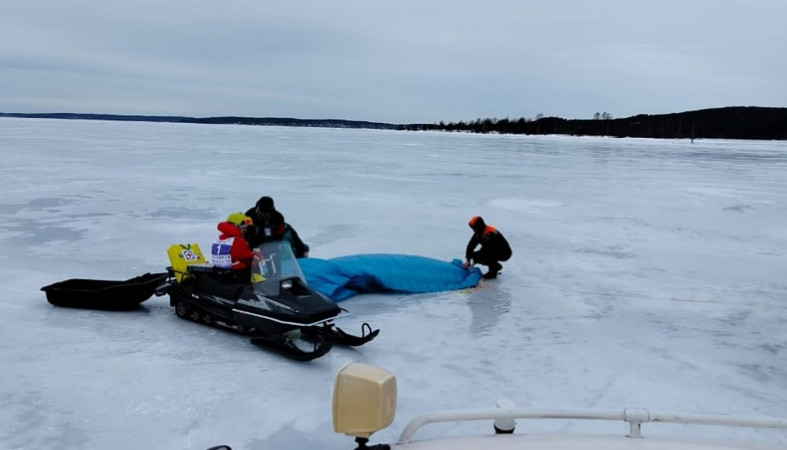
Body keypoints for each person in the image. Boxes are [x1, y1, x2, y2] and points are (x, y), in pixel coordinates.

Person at [245, 196, 310, 258]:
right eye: (263, 213)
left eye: (267, 213)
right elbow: (246, 235)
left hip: (273, 244)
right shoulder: (249, 215)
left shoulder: (278, 217)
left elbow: (281, 233)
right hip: (256, 246)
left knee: (288, 230)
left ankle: (302, 250)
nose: (265, 215)